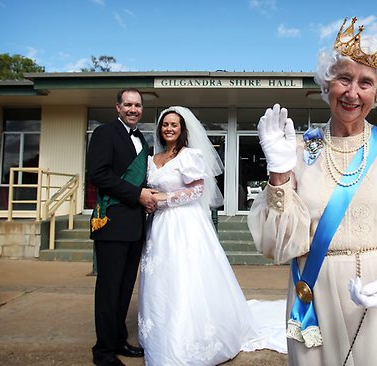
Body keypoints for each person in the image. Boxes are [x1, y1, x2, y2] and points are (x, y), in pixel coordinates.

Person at [248, 17, 377, 366]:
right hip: (317, 297)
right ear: (327, 85)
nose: (353, 92)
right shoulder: (299, 150)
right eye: (344, 78)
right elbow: (276, 246)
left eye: (365, 82)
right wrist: (280, 172)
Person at [136, 106, 259, 365]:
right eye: (165, 124)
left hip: (184, 223)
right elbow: (148, 189)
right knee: (161, 277)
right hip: (158, 226)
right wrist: (148, 200)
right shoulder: (152, 158)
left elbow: (196, 191)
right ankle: (160, 332)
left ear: (182, 129)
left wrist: (162, 199)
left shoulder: (190, 156)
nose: (169, 128)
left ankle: (185, 338)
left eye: (174, 125)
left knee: (184, 275)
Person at [87, 88, 156, 366]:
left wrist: (148, 196)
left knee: (125, 288)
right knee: (108, 290)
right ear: (117, 107)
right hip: (112, 223)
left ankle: (118, 340)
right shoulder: (105, 133)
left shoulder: (141, 138)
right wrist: (137, 194)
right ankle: (102, 351)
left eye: (137, 105)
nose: (133, 109)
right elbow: (98, 174)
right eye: (127, 104)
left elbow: (138, 181)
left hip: (135, 226)